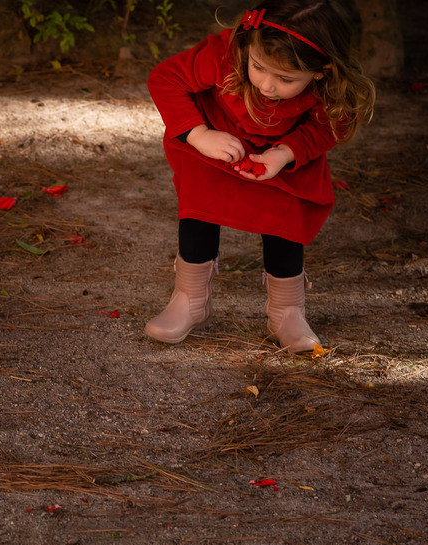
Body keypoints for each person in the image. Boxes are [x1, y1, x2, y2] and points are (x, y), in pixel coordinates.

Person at [145, 0, 375, 351]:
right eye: (258, 68)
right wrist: (199, 134)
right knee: (200, 207)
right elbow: (165, 78)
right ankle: (190, 301)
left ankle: (287, 312)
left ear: (321, 71)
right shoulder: (226, 53)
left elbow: (329, 125)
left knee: (284, 219)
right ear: (248, 47)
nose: (267, 86)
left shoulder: (329, 86)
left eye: (285, 79)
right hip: (216, 143)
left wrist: (285, 153)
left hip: (278, 157)